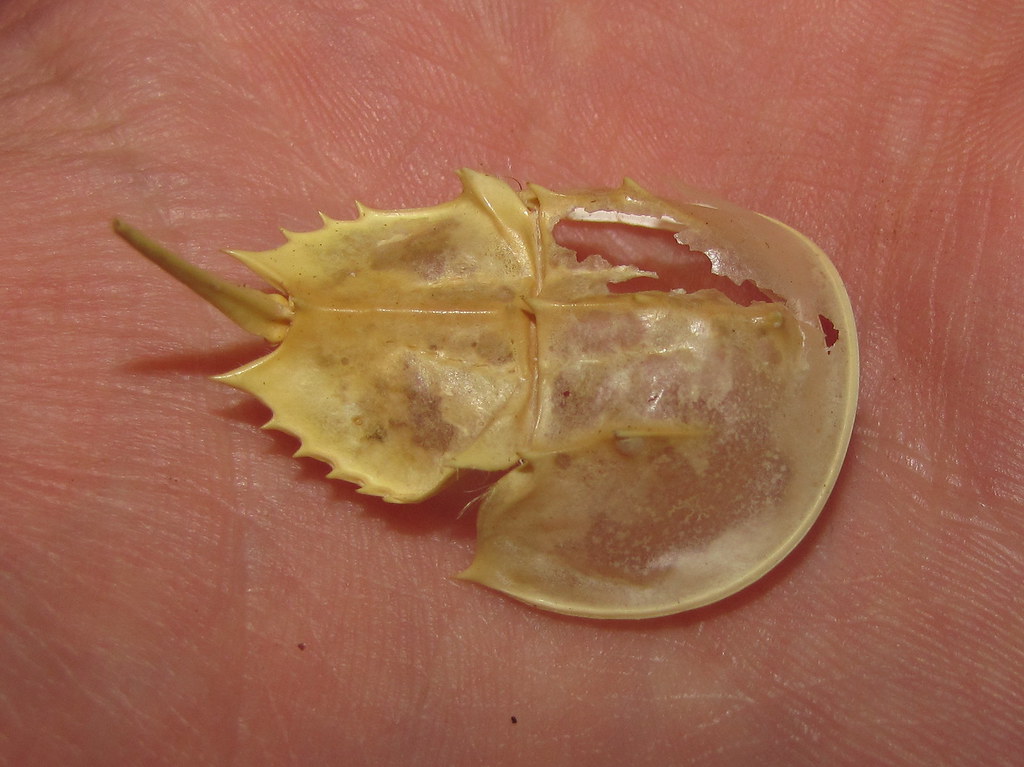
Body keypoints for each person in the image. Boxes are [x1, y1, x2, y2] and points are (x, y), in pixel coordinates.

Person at [2, 1, 1021, 764]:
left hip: (509, 313)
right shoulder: (769, 323)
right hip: (499, 303)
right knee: (377, 314)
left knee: (381, 322)